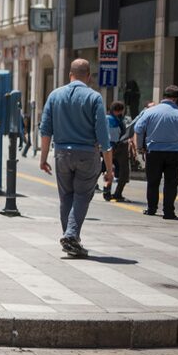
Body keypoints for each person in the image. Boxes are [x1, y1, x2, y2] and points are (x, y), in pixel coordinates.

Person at [38, 59, 113, 259]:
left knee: (66, 198)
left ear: (70, 75)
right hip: (88, 155)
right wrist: (109, 168)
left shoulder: (55, 95)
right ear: (88, 76)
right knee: (81, 196)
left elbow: (45, 130)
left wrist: (43, 158)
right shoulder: (94, 97)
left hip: (62, 154)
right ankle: (71, 235)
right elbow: (103, 136)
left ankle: (71, 239)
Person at [134, 85, 178, 219]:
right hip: (175, 152)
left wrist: (140, 148)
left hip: (154, 151)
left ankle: (151, 208)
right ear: (176, 99)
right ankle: (168, 211)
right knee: (171, 183)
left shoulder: (150, 112)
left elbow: (138, 129)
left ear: (164, 96)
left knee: (153, 182)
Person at [103, 101, 135, 202]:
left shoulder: (112, 119)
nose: (119, 112)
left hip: (111, 147)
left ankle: (110, 192)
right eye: (118, 111)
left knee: (110, 170)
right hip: (117, 147)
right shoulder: (113, 120)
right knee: (119, 171)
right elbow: (114, 136)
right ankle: (112, 193)